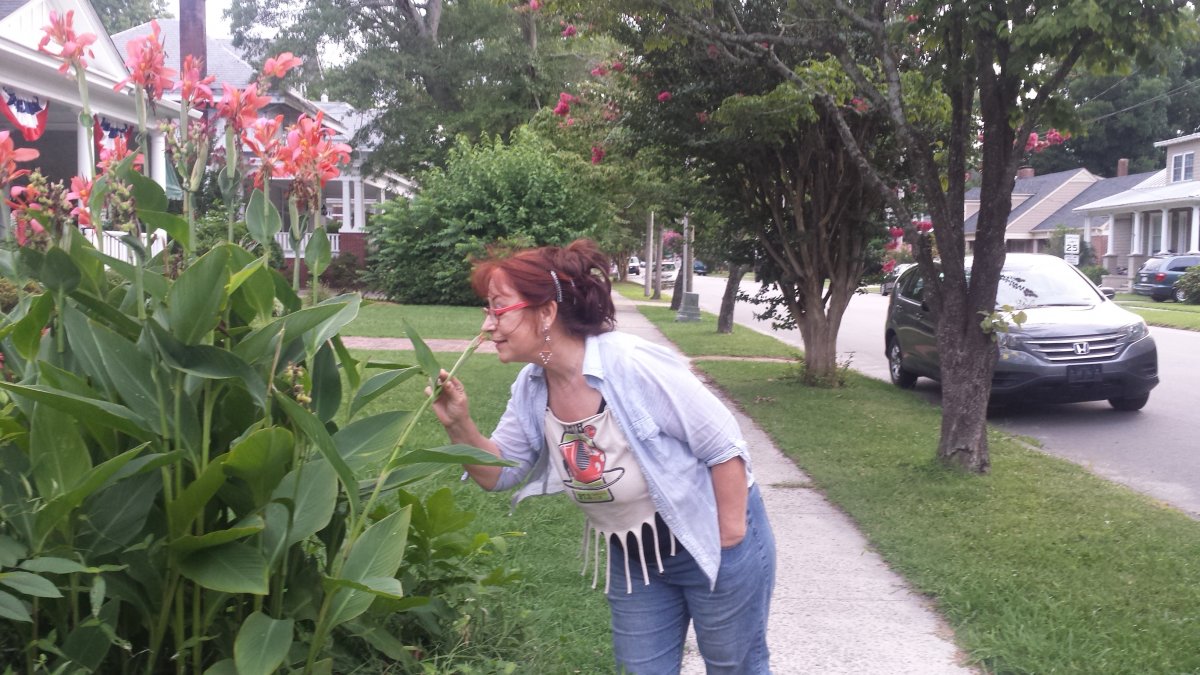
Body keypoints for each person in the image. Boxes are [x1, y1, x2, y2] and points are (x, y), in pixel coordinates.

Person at [429, 239, 775, 674]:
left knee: (733, 666)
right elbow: (498, 473)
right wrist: (459, 424)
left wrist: (727, 541)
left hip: (708, 535)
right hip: (635, 557)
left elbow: (724, 446)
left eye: (499, 308)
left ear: (546, 312)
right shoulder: (532, 386)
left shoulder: (630, 364)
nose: (486, 326)